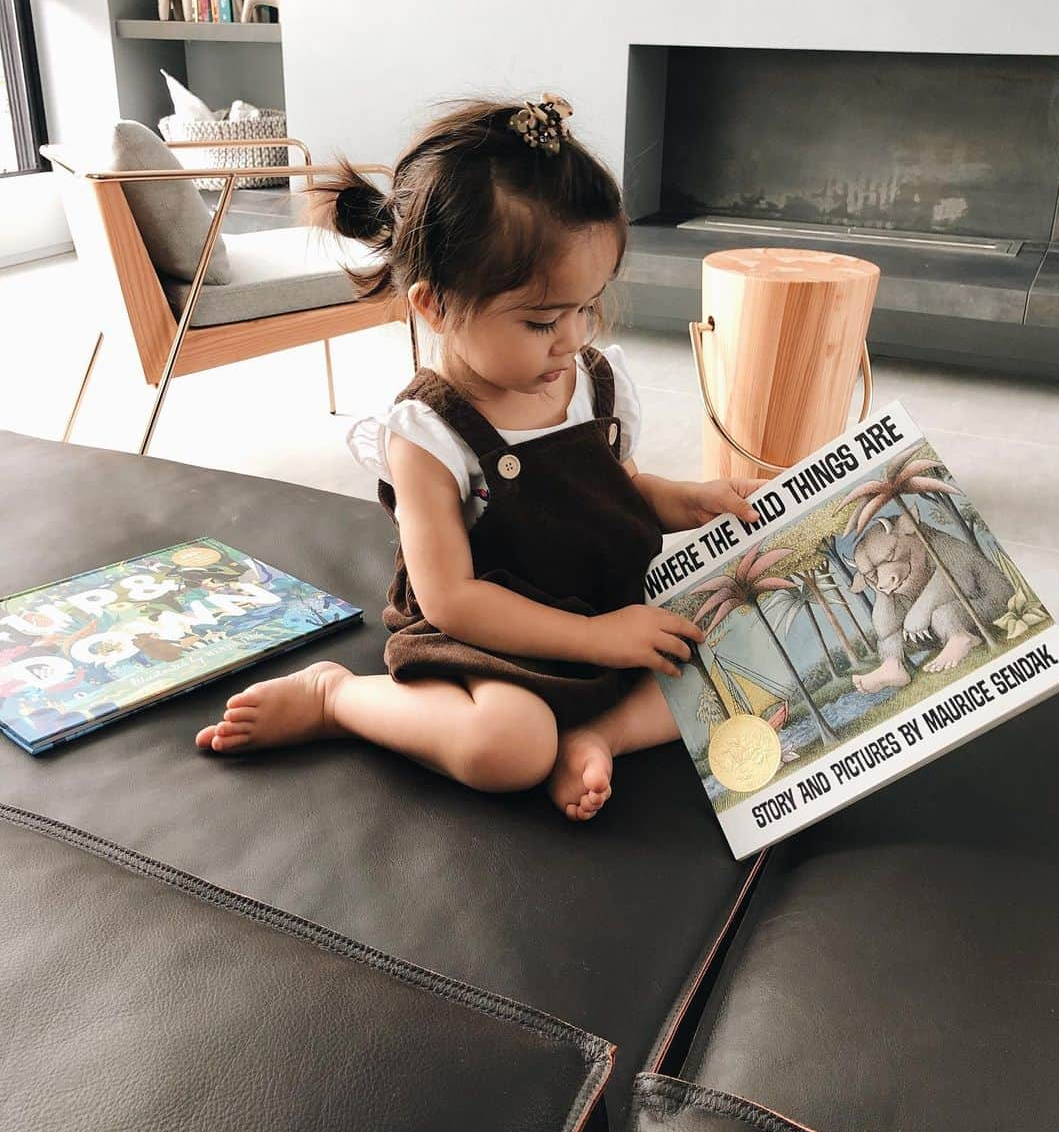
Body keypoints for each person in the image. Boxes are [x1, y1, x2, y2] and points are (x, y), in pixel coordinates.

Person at [196, 94, 758, 820]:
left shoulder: (593, 380)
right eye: (541, 320)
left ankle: (598, 738)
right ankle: (338, 698)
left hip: (602, 609)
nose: (571, 338)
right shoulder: (428, 434)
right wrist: (592, 639)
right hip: (492, 637)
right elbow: (451, 599)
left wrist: (686, 499)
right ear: (434, 306)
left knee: (733, 651)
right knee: (510, 747)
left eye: (588, 306)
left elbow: (608, 491)